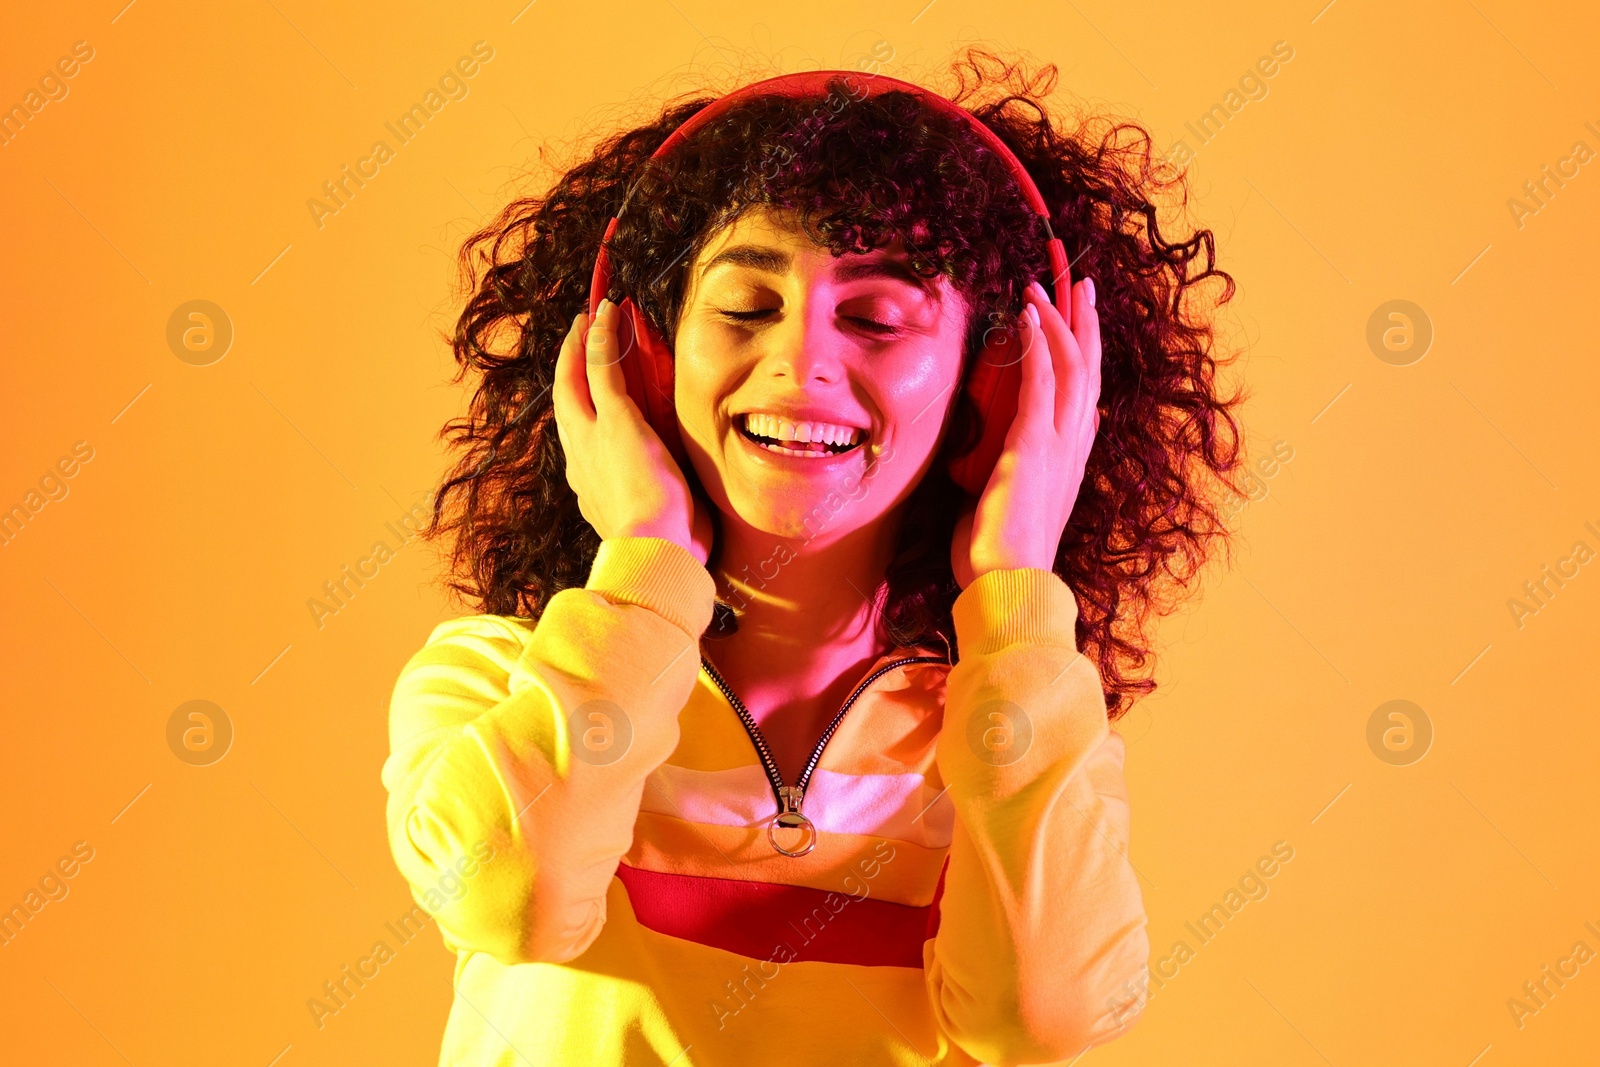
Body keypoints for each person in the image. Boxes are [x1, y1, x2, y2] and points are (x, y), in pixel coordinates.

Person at [382, 50, 1242, 1066]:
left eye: (876, 317)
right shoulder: (497, 680)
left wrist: (1015, 588)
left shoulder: (1019, 726)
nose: (800, 359)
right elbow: (509, 899)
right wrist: (645, 563)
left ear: (995, 385)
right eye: (745, 308)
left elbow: (1040, 1021)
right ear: (644, 359)